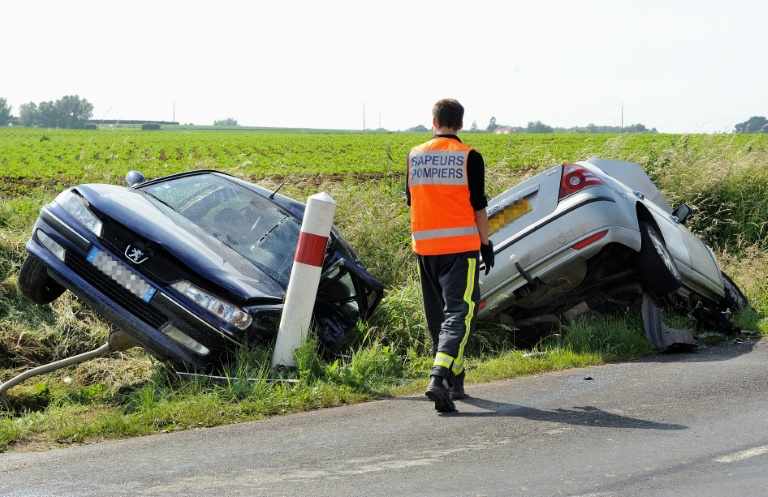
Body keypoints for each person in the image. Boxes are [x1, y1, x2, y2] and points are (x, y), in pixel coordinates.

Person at [406, 98, 495, 412]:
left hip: (425, 249)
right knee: (459, 314)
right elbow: (479, 207)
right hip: (460, 250)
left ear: (434, 122)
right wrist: (485, 244)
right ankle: (439, 377)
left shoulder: (414, 156)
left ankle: (455, 382)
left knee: (438, 320)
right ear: (460, 124)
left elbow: (412, 200)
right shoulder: (469, 156)